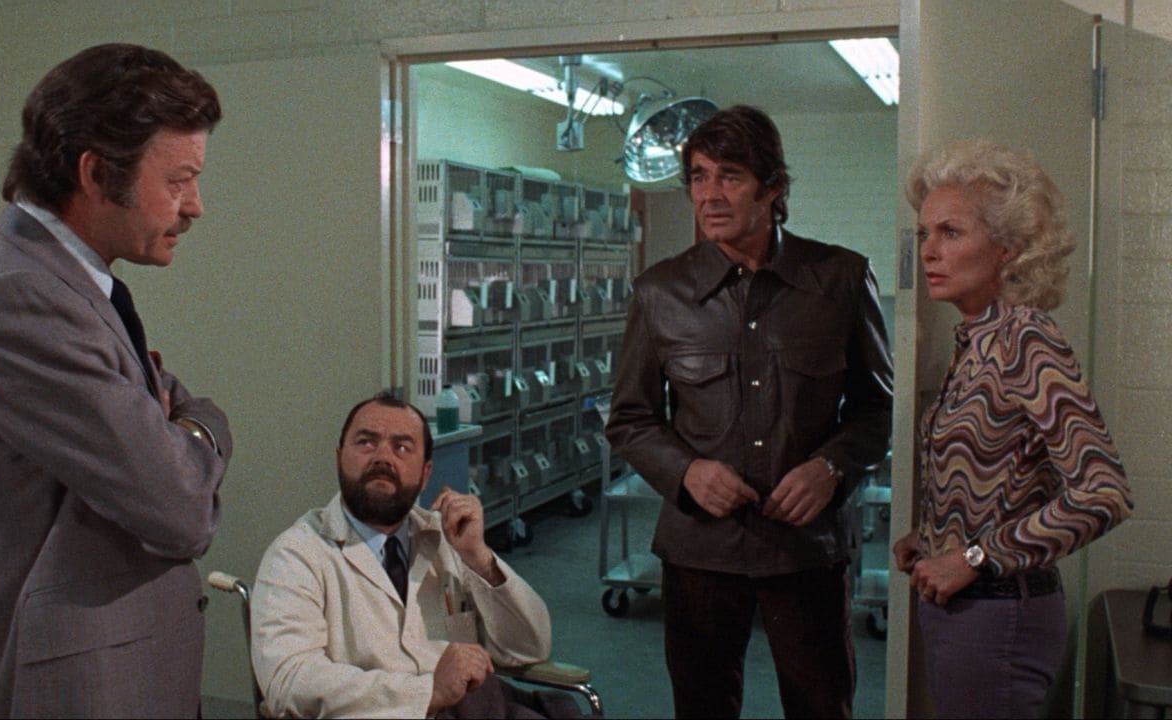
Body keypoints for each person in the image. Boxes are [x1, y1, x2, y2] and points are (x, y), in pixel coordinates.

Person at [0, 44, 230, 718]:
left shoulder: (62, 285)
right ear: (95, 172)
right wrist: (205, 427)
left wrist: (172, 428)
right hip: (81, 690)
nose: (195, 206)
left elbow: (162, 419)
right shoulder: (20, 299)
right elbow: (180, 509)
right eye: (179, 180)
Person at [604, 104, 893, 719]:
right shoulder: (660, 292)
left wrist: (831, 468)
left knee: (822, 706)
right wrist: (687, 472)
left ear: (773, 188)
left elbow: (878, 408)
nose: (709, 195)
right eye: (698, 176)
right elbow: (630, 417)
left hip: (806, 549)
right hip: (699, 552)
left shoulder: (840, 279)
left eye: (730, 176)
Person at [892, 139, 1133, 719]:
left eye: (951, 232)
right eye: (924, 234)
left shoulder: (1025, 338)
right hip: (965, 609)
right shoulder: (977, 338)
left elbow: (1104, 493)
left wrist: (973, 556)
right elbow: (1004, 473)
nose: (929, 251)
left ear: (1008, 248)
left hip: (998, 614)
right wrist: (935, 538)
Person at [251, 393, 574, 719]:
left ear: (425, 474)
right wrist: (427, 693)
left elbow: (528, 648)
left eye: (402, 447)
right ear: (339, 459)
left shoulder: (449, 539)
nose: (382, 457)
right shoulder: (297, 554)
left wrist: (480, 559)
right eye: (366, 442)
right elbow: (288, 680)